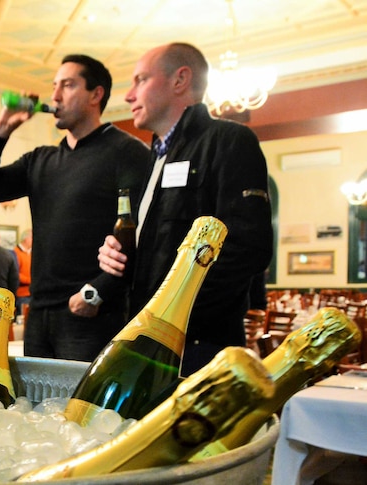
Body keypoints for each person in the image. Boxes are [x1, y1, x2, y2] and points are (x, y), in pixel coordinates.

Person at [97, 42, 273, 375]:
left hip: (198, 348)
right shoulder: (154, 160)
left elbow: (248, 248)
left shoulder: (230, 140)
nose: (128, 95)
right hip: (144, 341)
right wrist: (118, 256)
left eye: (141, 80)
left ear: (180, 80)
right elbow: (159, 251)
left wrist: (176, 316)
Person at [0, 54, 150, 362]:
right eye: (54, 86)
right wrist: (1, 131)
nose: (55, 96)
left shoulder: (127, 151)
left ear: (96, 94)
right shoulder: (40, 160)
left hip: (92, 313)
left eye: (68, 85)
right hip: (38, 314)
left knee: (83, 409)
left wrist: (95, 293)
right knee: (36, 409)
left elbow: (142, 235)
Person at [14, 228, 33, 309]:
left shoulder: (31, 253)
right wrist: (30, 280)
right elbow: (15, 274)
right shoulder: (15, 253)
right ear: (26, 239)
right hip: (22, 295)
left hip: (32, 293)